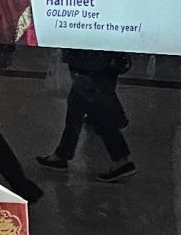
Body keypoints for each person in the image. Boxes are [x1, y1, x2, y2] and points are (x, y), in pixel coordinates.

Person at [38, 48, 136, 181]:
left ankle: (121, 159)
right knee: (77, 105)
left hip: (91, 62)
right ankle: (62, 154)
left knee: (96, 109)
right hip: (100, 61)